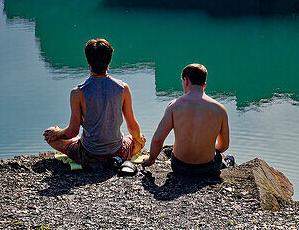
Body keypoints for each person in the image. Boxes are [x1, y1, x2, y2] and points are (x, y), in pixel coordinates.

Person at [44, 39, 144, 167]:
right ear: (109, 60)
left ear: (88, 61)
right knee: (139, 139)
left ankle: (94, 160)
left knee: (49, 134)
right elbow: (132, 127)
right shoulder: (123, 88)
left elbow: (72, 132)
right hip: (118, 152)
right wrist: (139, 139)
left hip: (88, 154)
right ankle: (113, 159)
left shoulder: (77, 93)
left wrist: (57, 133)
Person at [142, 64, 232, 177]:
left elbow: (157, 140)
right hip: (207, 168)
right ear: (204, 85)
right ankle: (227, 163)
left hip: (179, 167)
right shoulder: (220, 109)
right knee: (223, 157)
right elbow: (224, 145)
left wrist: (151, 160)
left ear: (186, 81)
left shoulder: (174, 106)